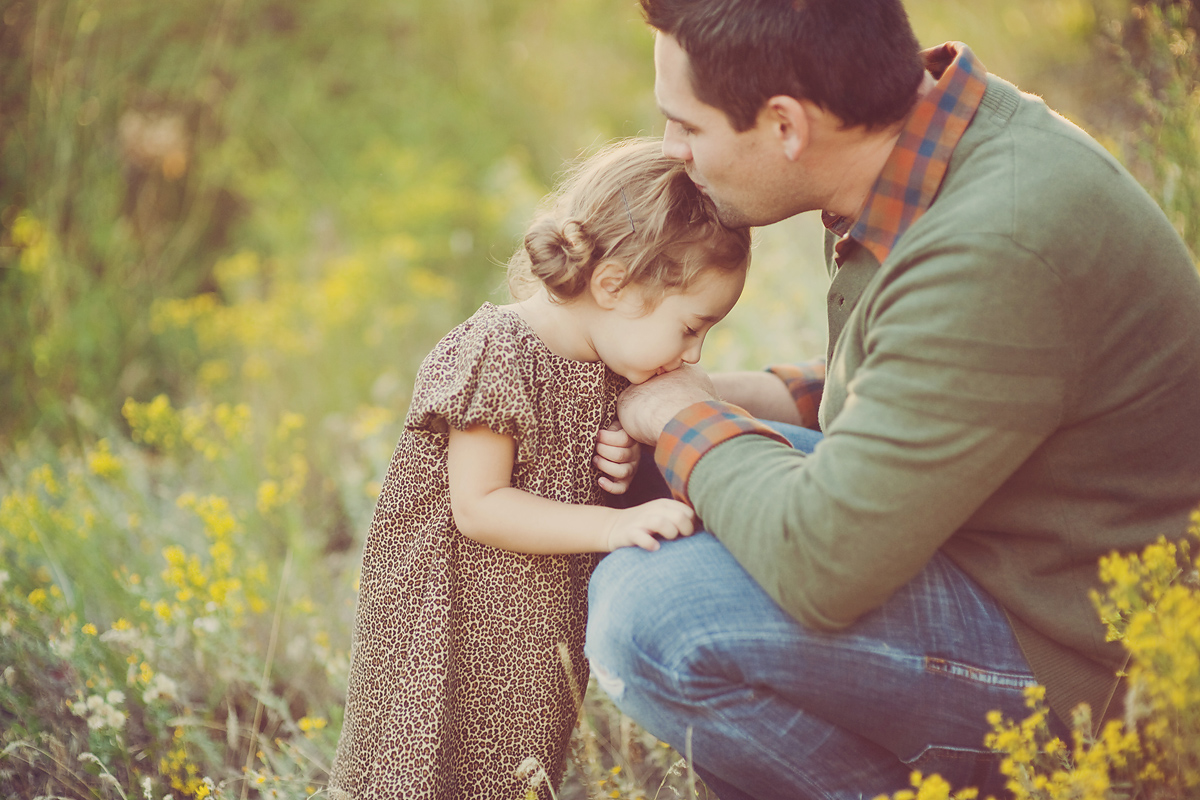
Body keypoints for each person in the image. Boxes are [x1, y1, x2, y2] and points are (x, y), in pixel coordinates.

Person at [583, 2, 1200, 799]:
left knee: (656, 618)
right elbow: (918, 377)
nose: (672, 151)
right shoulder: (916, 151)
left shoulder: (1001, 239)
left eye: (687, 126)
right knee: (649, 487)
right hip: (1006, 546)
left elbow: (823, 565)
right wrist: (712, 397)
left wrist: (676, 417)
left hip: (1095, 662)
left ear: (784, 126)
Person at [326, 137, 751, 800]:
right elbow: (480, 505)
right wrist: (616, 527)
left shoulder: (615, 364)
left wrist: (626, 462)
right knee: (421, 766)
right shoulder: (498, 351)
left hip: (533, 637)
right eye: (691, 327)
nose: (695, 353)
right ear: (612, 286)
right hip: (448, 627)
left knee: (515, 772)